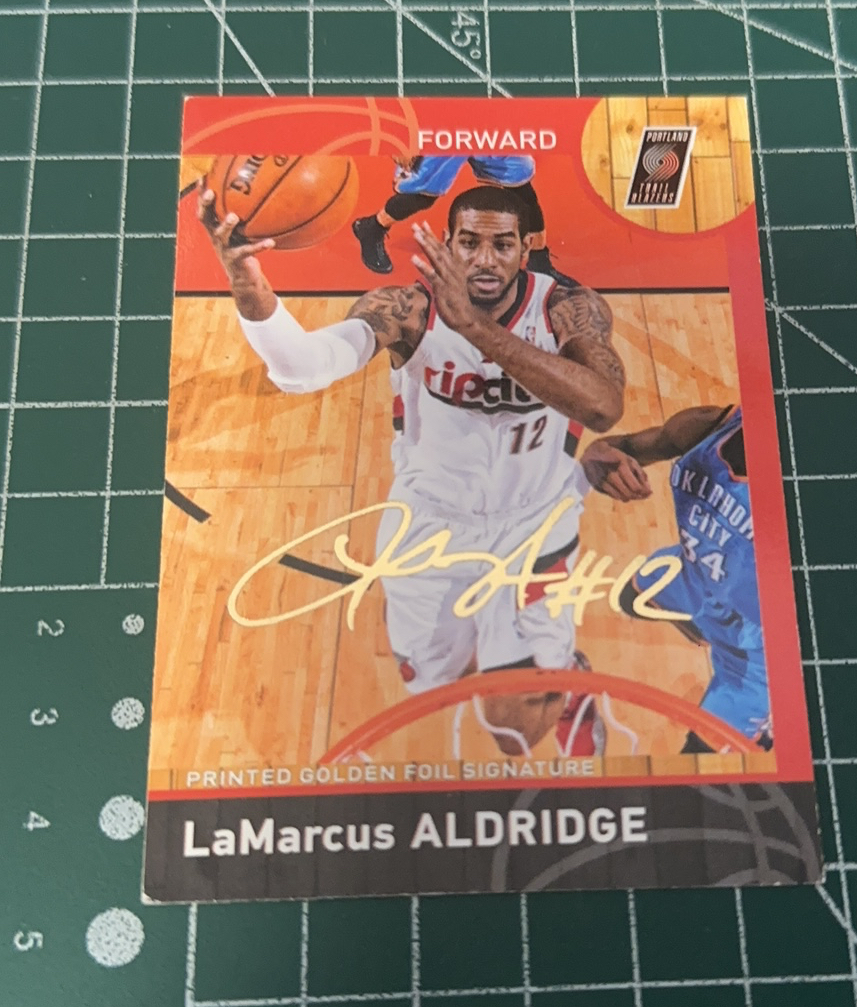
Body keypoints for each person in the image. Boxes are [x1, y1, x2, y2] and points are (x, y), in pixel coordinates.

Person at [197, 182, 624, 757]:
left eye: (502, 245)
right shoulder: (406, 310)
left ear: (527, 249)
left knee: (512, 731)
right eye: (468, 243)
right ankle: (498, 651)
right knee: (434, 682)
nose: (484, 260)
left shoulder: (567, 309)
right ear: (447, 243)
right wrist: (248, 284)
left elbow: (603, 407)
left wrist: (476, 330)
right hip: (429, 525)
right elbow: (301, 369)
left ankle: (563, 679)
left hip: (535, 525)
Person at [580, 404, 773, 753]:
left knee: (699, 760)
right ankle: (705, 633)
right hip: (694, 576)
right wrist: (597, 456)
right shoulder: (711, 425)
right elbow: (624, 447)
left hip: (756, 649)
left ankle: (770, 724)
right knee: (629, 598)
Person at [352, 154, 576, 286]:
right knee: (421, 195)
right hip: (440, 120)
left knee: (521, 188)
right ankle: (371, 227)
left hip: (482, 119)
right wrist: (401, 139)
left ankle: (539, 263)